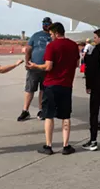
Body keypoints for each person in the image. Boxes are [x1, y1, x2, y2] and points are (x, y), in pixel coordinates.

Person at [27, 22, 80, 155]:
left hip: (51, 84)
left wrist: (35, 66)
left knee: (49, 115)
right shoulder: (73, 45)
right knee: (65, 116)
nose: (50, 37)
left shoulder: (52, 46)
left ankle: (48, 145)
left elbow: (48, 66)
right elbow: (77, 63)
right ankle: (66, 146)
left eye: (51, 34)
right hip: (66, 84)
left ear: (56, 33)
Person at [18, 17, 53, 121]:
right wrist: (27, 61)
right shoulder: (36, 35)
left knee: (43, 89)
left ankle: (41, 110)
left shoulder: (52, 37)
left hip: (46, 68)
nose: (46, 25)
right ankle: (25, 110)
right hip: (33, 67)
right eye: (44, 23)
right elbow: (28, 48)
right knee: (30, 89)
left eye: (48, 23)